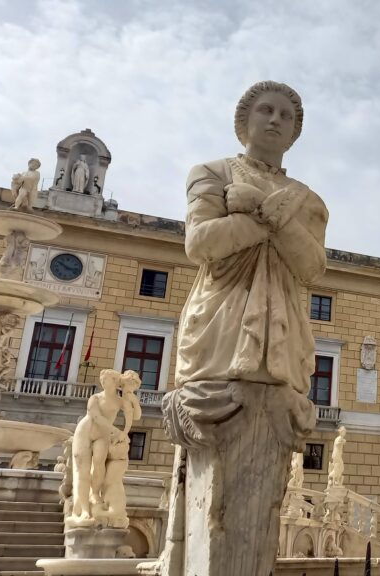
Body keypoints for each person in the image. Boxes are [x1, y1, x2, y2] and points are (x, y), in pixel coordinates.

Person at [159, 81, 326, 576]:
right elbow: (201, 243)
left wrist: (258, 207)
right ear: (244, 120)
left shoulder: (308, 200)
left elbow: (312, 266)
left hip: (281, 333)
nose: (275, 120)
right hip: (221, 322)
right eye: (265, 110)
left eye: (286, 116)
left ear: (295, 132)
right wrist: (266, 217)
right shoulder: (210, 173)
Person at [70, 369, 125, 524]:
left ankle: (94, 494)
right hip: (85, 433)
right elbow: (96, 417)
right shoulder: (95, 398)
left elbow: (135, 415)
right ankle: (84, 510)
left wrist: (130, 395)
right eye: (102, 379)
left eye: (106, 379)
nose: (102, 382)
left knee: (99, 463)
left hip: (102, 435)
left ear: (114, 381)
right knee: (83, 471)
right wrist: (116, 430)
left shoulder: (119, 401)